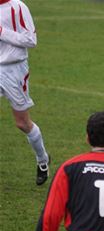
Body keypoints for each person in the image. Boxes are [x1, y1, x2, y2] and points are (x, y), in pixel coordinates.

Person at [0, 0, 50, 185]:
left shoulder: (18, 7)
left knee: (22, 123)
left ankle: (42, 160)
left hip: (14, 70)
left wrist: (2, 32)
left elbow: (31, 40)